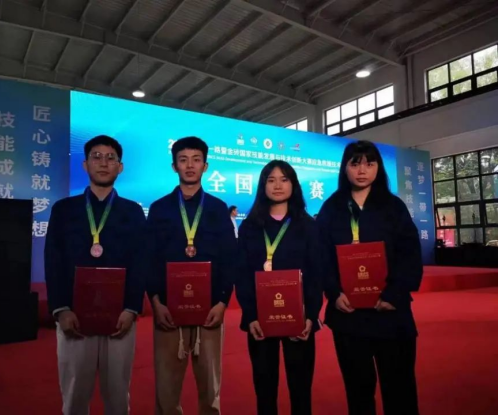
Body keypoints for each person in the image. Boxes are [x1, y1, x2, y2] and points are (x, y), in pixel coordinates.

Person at [317, 140, 423, 416]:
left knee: (399, 389)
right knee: (358, 392)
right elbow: (321, 256)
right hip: (349, 316)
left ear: (378, 168)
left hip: (390, 313)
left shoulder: (393, 206)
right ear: (345, 168)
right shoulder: (331, 208)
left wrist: (394, 294)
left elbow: (410, 253)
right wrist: (333, 293)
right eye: (355, 164)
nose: (362, 170)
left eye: (369, 163)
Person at [45, 135, 146, 415]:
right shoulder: (64, 210)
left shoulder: (133, 212)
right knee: (75, 394)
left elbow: (140, 261)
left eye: (110, 158)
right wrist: (61, 309)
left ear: (120, 167)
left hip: (120, 317)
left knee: (117, 395)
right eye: (96, 157)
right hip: (74, 316)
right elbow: (53, 261)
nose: (103, 163)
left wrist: (131, 308)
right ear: (85, 164)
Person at [146, 137, 238, 416]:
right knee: (166, 389)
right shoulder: (160, 208)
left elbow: (229, 258)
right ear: (174, 166)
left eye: (196, 160)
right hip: (168, 310)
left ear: (205, 166)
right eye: (183, 160)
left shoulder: (217, 208)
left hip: (209, 310)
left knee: (210, 390)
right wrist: (156, 302)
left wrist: (222, 302)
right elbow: (149, 258)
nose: (190, 165)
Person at [236, 160, 323, 416]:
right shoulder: (250, 227)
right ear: (262, 185)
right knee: (265, 390)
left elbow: (316, 274)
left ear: (293, 185)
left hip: (299, 320)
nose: (277, 185)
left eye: (284, 179)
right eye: (271, 180)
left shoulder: (307, 225)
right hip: (260, 320)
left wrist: (311, 315)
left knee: (301, 389)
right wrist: (250, 315)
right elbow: (242, 274)